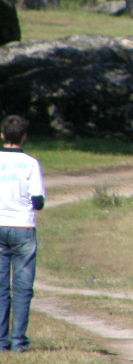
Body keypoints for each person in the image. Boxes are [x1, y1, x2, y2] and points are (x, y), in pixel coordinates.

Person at [0, 115, 45, 354]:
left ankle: (1, 341)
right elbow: (37, 200)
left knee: (0, 287)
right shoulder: (30, 163)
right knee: (23, 287)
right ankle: (18, 341)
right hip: (23, 227)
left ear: (2, 136)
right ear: (24, 136)